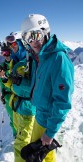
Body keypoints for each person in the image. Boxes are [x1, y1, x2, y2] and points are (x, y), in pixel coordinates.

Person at [21, 14, 74, 162]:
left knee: (35, 157)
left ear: (46, 32)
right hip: (40, 116)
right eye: (27, 38)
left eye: (36, 35)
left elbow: (63, 101)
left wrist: (50, 132)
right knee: (44, 156)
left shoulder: (58, 59)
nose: (33, 42)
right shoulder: (41, 57)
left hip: (47, 121)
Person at [0, 33, 36, 162]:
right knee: (19, 132)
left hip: (28, 106)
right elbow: (11, 83)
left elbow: (34, 85)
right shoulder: (15, 62)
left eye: (14, 44)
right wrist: (4, 80)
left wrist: (17, 81)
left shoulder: (30, 60)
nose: (12, 47)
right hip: (17, 103)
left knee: (22, 143)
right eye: (9, 46)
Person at [0, 43, 17, 137]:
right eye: (3, 53)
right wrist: (3, 94)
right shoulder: (1, 66)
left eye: (7, 52)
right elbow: (1, 81)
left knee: (19, 118)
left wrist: (7, 74)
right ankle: (16, 136)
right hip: (8, 96)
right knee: (12, 119)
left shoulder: (17, 64)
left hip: (17, 95)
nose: (6, 55)